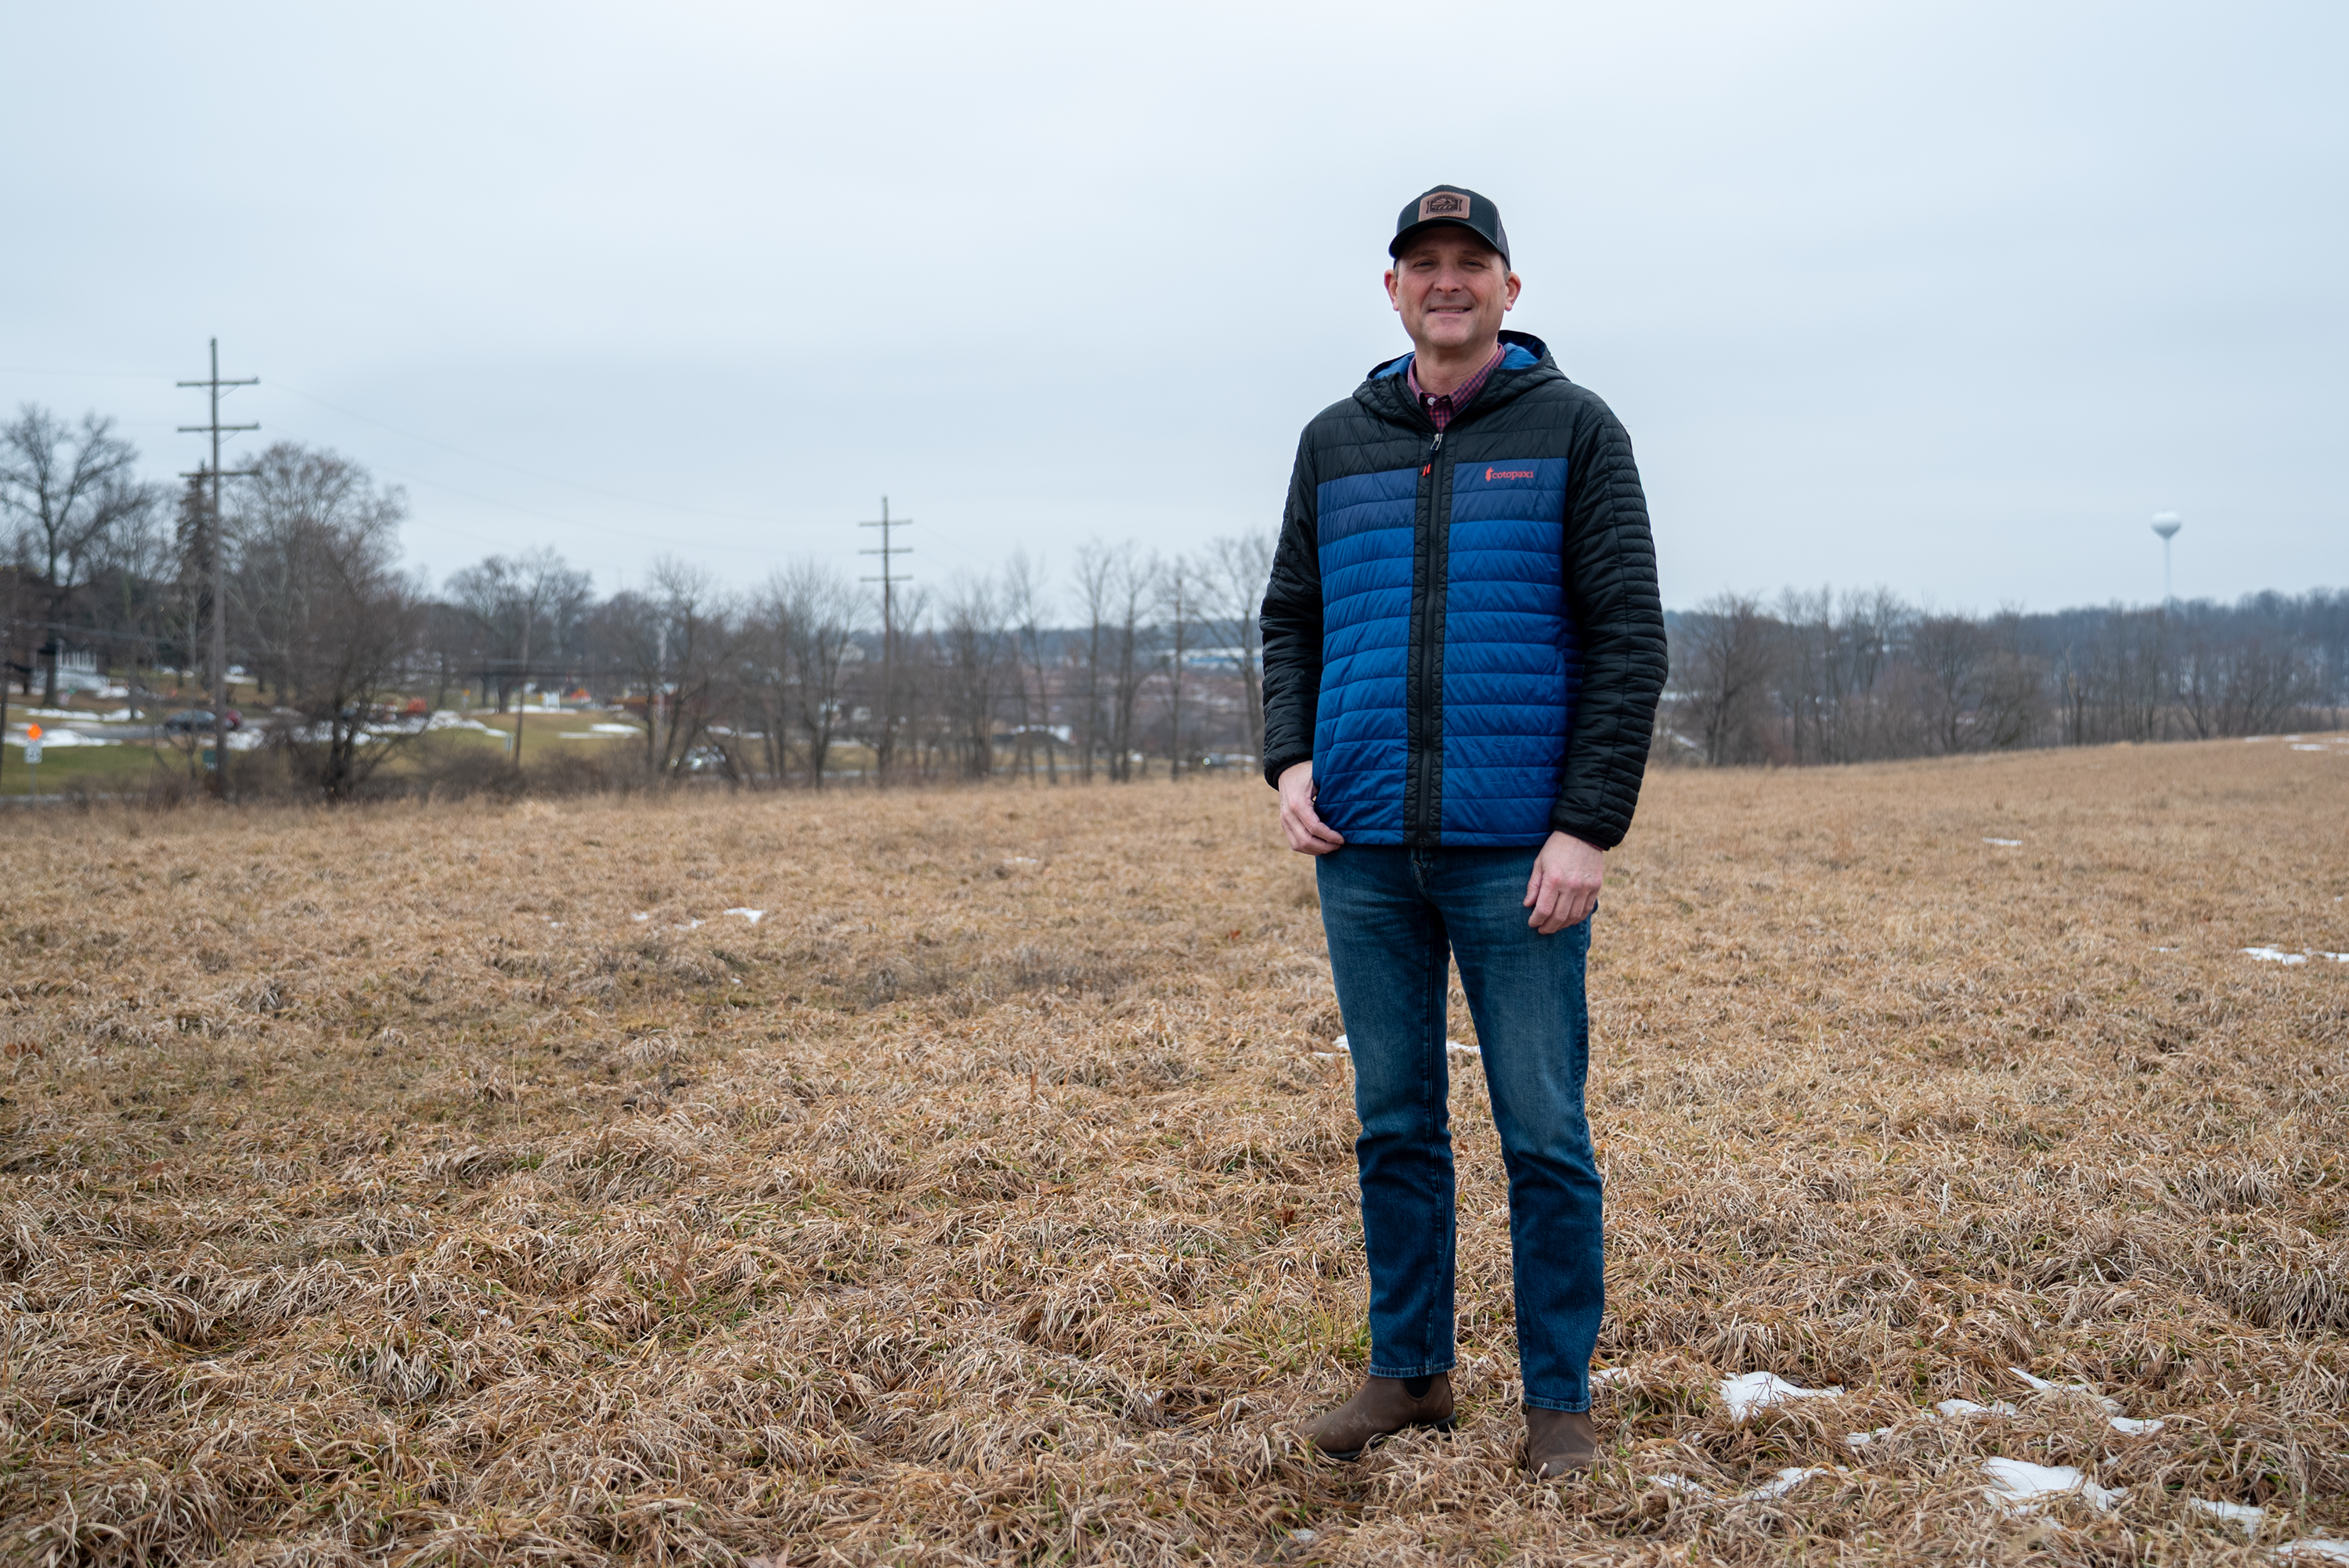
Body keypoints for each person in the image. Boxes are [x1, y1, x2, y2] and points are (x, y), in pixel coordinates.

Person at [1258, 186, 1666, 1478]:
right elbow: (1290, 618)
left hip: (1517, 853)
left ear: (1509, 287)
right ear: (1393, 291)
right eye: (1423, 264)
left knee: (1542, 1127)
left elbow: (1628, 641)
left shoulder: (1574, 430)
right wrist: (1291, 755)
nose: (1447, 282)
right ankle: (1410, 1373)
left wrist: (1586, 828)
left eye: (1470, 262)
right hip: (1366, 848)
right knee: (1394, 1121)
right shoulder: (1337, 440)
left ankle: (1559, 1401)